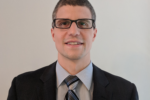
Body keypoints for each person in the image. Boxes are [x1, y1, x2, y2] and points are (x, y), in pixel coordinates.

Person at [7, 0, 139, 100]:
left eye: (83, 23)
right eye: (64, 23)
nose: (74, 32)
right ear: (53, 34)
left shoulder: (126, 92)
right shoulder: (21, 87)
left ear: (94, 34)